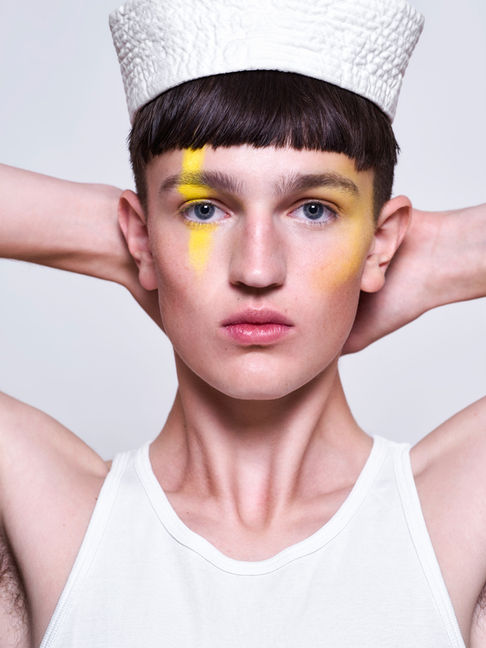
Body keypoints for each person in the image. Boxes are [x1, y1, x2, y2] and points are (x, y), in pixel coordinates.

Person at [0, 0, 485, 646]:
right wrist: (125, 250)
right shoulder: (43, 512)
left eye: (313, 210)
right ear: (141, 233)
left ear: (382, 239)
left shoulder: (461, 511)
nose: (257, 269)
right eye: (204, 210)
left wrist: (439, 257)